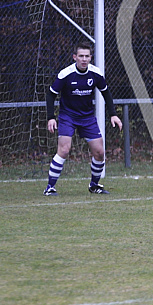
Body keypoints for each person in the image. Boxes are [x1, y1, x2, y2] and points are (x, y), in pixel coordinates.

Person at [44, 42, 123, 196]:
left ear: (90, 58)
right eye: (81, 56)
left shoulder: (96, 73)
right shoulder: (65, 74)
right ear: (75, 57)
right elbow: (50, 94)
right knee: (64, 150)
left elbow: (106, 93)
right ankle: (50, 188)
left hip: (87, 117)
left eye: (87, 56)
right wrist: (50, 117)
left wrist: (113, 114)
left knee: (100, 152)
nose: (84, 59)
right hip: (68, 116)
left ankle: (94, 186)